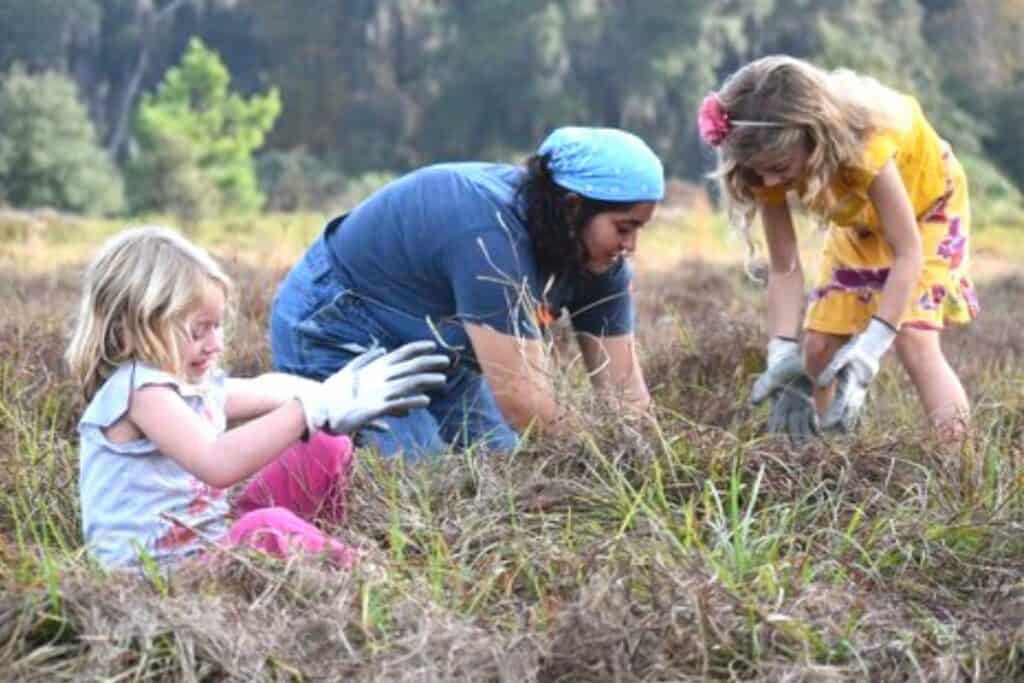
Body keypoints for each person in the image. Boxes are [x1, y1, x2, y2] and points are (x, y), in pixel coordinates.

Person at [66, 226, 449, 569]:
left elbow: (266, 388)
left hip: (212, 543)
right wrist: (311, 409)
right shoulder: (140, 391)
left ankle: (307, 553)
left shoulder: (189, 386)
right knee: (266, 528)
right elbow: (216, 464)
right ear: (133, 329)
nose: (214, 344)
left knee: (326, 443)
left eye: (217, 327)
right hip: (160, 576)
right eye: (198, 331)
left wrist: (332, 395)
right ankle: (360, 575)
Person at [270, 126, 665, 458]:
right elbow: (525, 405)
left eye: (638, 230)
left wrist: (645, 463)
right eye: (623, 227)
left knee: (503, 463)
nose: (630, 246)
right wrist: (599, 459)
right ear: (573, 208)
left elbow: (625, 394)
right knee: (423, 481)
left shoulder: (601, 261)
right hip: (340, 328)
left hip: (438, 349)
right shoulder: (488, 236)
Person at [698, 55, 978, 438]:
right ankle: (826, 455)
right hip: (860, 220)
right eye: (759, 169)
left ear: (816, 137)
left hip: (928, 212)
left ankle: (958, 468)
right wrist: (781, 352)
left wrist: (868, 353)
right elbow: (784, 267)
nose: (769, 179)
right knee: (817, 347)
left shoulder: (866, 149)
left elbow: (907, 252)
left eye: (780, 168)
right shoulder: (763, 163)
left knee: (914, 338)